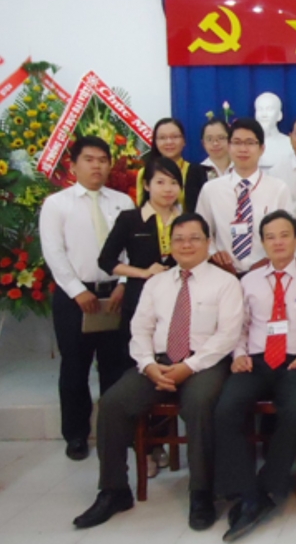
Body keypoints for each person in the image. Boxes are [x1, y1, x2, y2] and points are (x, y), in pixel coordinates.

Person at [73, 213, 243, 531]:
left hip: (204, 363)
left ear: (208, 243)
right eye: (179, 239)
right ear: (170, 245)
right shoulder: (156, 283)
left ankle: (202, 493)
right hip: (157, 363)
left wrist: (188, 367)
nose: (186, 245)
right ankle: (113, 490)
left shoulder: (226, 283)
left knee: (200, 404)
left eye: (194, 238)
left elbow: (228, 336)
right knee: (112, 403)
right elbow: (140, 329)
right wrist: (148, 364)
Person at [213, 210, 296, 540]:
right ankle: (247, 490)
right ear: (262, 242)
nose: (278, 242)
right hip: (255, 360)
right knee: (225, 410)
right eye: (270, 237)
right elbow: (238, 326)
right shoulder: (248, 281)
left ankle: (265, 488)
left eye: (285, 235)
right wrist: (239, 355)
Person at [40, 136, 133, 461]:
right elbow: (54, 252)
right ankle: (76, 434)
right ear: (74, 164)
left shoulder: (123, 201)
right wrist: (77, 290)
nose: (97, 166)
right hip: (75, 297)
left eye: (103, 160)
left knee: (116, 365)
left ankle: (116, 430)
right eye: (89, 159)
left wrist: (124, 282)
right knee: (75, 367)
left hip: (116, 293)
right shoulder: (57, 204)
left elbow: (131, 248)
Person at [98, 156, 183, 477]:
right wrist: (142, 273)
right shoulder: (131, 219)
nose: (167, 189)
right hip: (140, 305)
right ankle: (144, 448)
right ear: (146, 185)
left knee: (168, 374)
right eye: (160, 182)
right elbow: (107, 260)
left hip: (178, 307)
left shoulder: (186, 220)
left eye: (173, 182)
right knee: (141, 373)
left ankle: (161, 442)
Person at [195, 118, 292, 275]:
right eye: (237, 142)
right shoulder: (211, 190)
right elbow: (200, 232)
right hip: (222, 272)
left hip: (267, 272)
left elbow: (288, 235)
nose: (243, 149)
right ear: (229, 147)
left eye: (250, 143)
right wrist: (213, 254)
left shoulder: (278, 189)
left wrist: (271, 261)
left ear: (262, 149)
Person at [135, 117, 208, 212]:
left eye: (175, 137)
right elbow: (142, 208)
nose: (169, 142)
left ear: (184, 141)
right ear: (155, 142)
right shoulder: (145, 172)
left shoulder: (197, 172)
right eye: (162, 138)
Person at [254, 92, 294, 170]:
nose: (264, 115)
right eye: (260, 109)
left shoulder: (290, 144)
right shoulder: (246, 144)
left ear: (279, 115)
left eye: (269, 109)